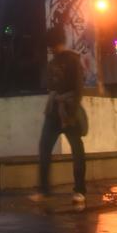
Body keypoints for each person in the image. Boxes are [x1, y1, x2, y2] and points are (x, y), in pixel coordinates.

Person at [30, 25, 87, 206]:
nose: (51, 49)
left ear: (58, 42)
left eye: (52, 44)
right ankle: (44, 189)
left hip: (69, 109)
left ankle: (79, 190)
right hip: (54, 110)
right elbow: (51, 86)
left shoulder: (72, 59)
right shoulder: (52, 62)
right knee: (44, 147)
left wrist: (70, 112)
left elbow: (78, 89)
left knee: (77, 150)